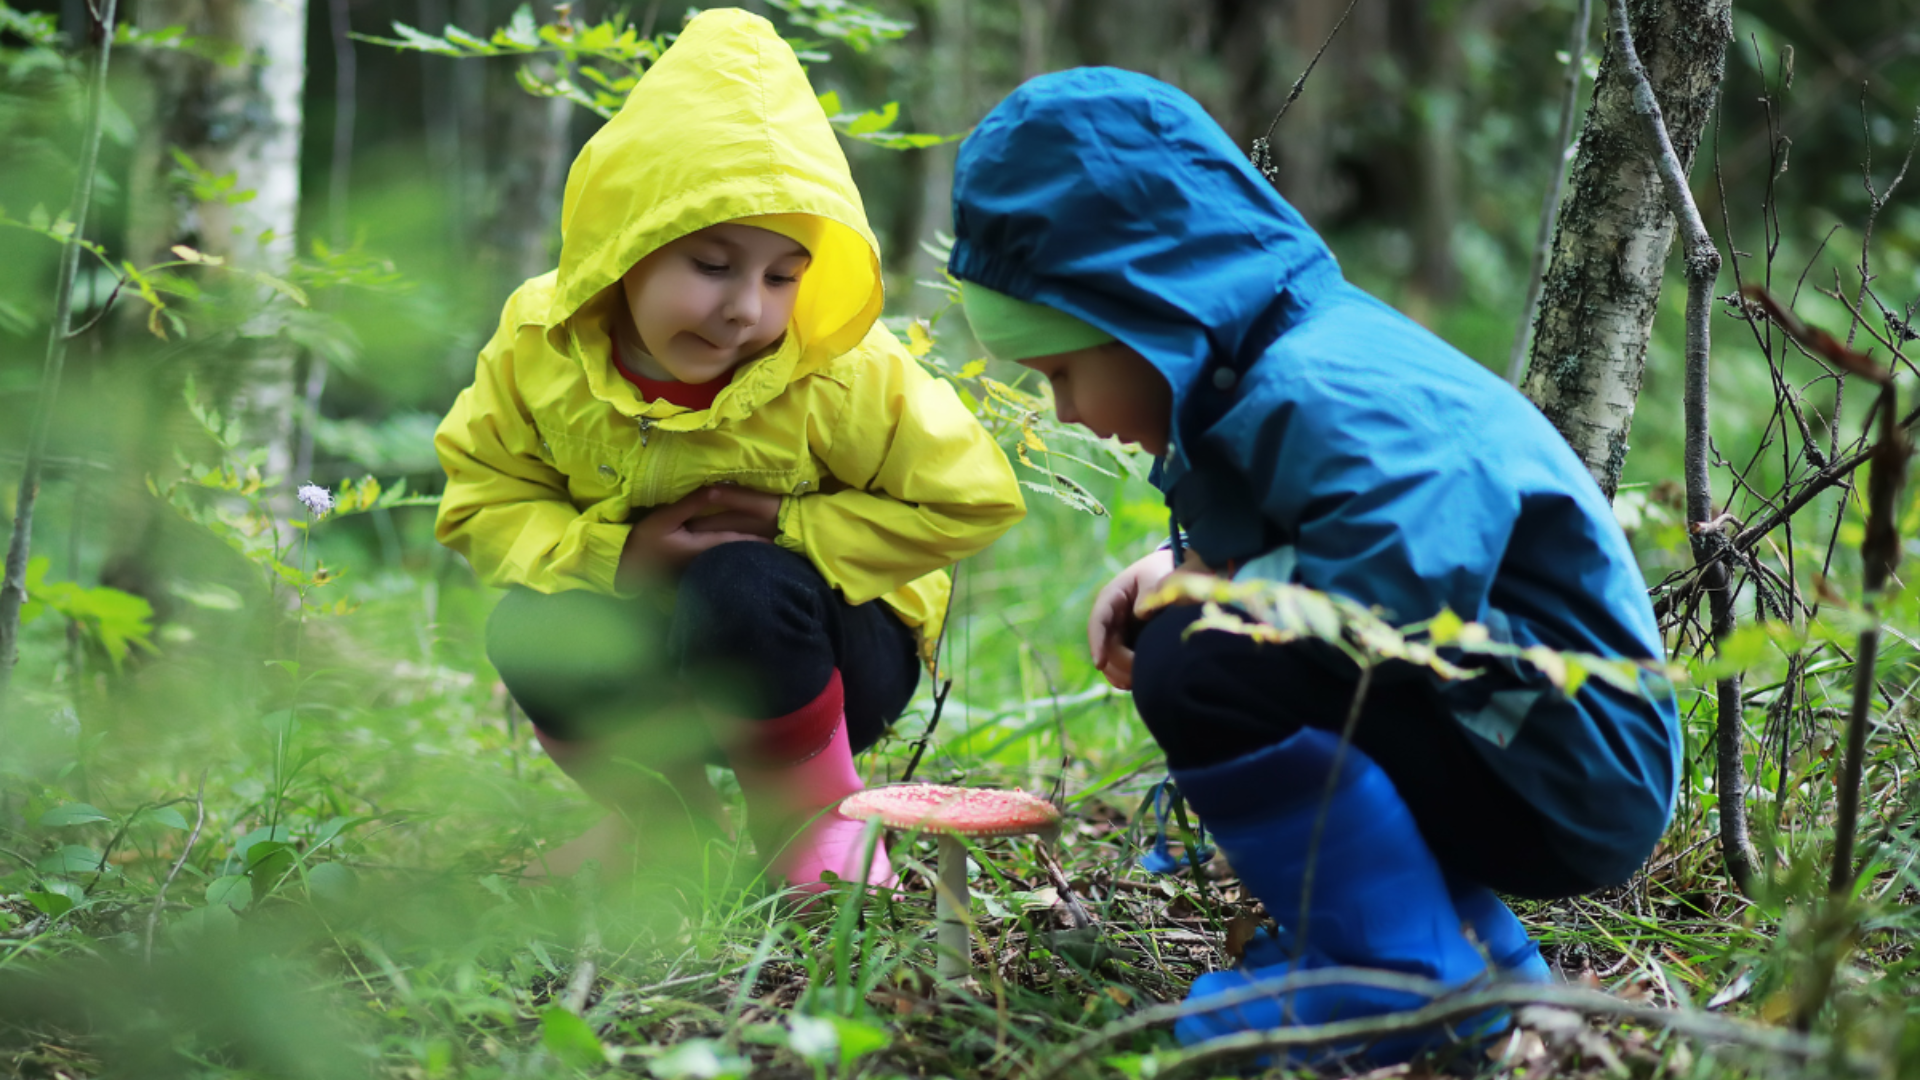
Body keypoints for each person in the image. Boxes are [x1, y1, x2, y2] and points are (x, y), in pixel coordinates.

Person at [947, 69, 1679, 1063]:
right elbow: (1328, 534)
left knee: (1202, 660)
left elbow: (1395, 586)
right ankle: (1473, 955)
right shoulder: (1273, 364)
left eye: (1063, 371)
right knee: (1204, 638)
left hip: (1564, 760)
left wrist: (1209, 589)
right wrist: (1184, 561)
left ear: (1149, 317)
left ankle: (1389, 982)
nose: (1067, 412)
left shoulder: (1330, 379)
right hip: (1518, 733)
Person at [433, 9, 1025, 896]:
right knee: (530, 625)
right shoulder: (540, 342)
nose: (746, 308)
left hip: (820, 661)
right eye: (711, 265)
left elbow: (973, 498)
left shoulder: (838, 372)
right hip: (650, 651)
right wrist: (618, 555)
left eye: (782, 276)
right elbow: (481, 496)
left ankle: (815, 822)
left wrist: (794, 521)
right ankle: (665, 828)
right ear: (623, 249)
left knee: (740, 582)